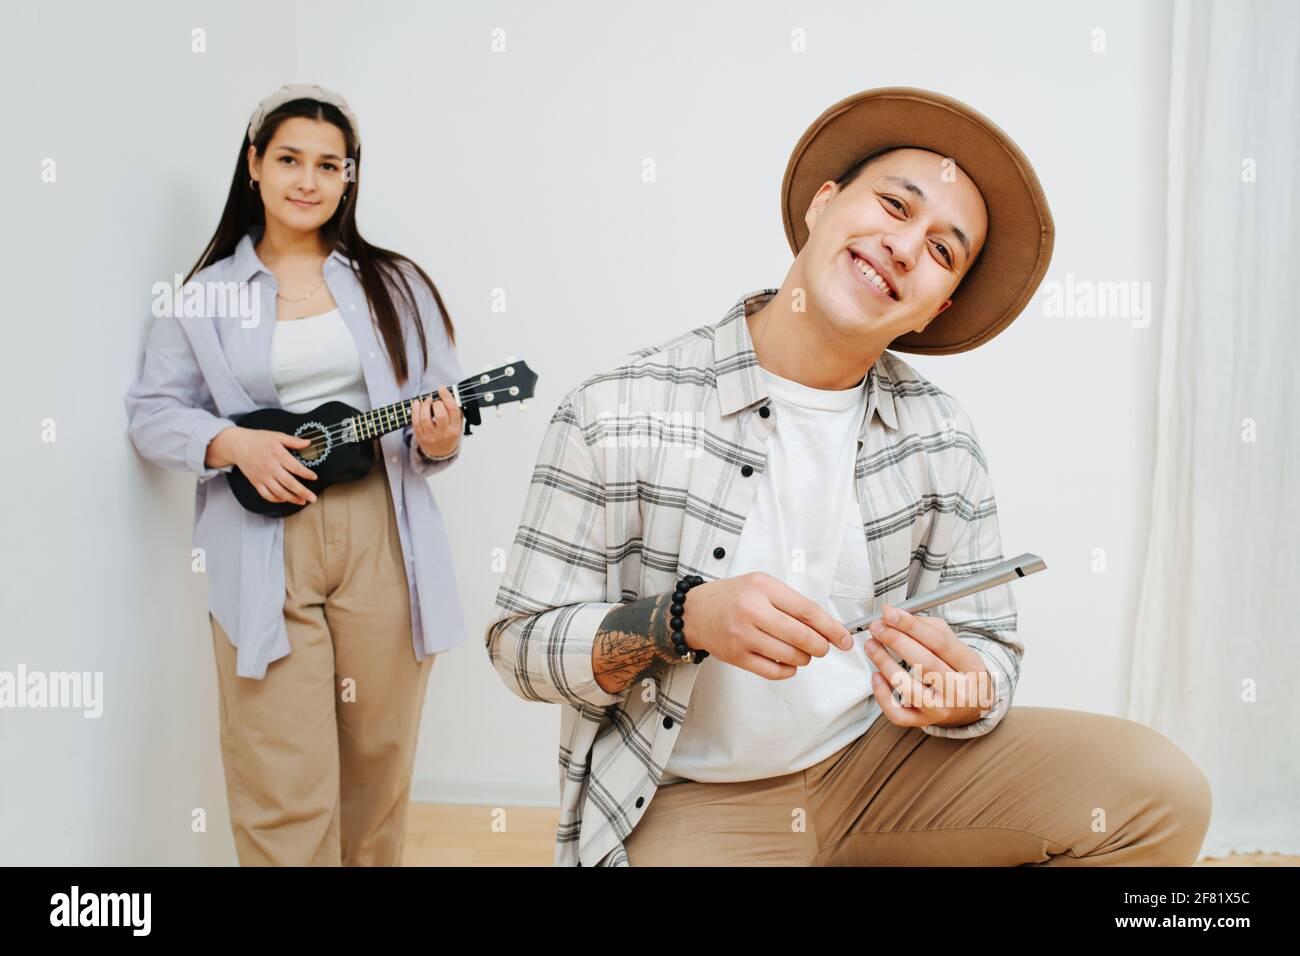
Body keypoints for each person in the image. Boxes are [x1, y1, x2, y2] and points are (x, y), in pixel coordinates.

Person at [484, 87, 1212, 866]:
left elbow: (990, 647)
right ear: (822, 204)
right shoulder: (616, 409)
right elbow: (520, 647)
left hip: (879, 771)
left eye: (942, 250)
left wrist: (964, 688)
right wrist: (683, 621)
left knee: (1159, 793)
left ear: (937, 308)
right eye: (895, 207)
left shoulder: (941, 435)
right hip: (693, 796)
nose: (905, 247)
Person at [124, 84, 469, 865]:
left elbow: (436, 423)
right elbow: (152, 412)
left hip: (382, 529)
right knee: (280, 771)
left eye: (328, 164)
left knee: (377, 766)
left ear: (349, 177)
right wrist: (230, 444)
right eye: (288, 160)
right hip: (260, 543)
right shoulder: (204, 298)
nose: (307, 180)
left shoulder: (396, 284)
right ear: (254, 166)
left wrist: (441, 439)